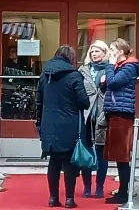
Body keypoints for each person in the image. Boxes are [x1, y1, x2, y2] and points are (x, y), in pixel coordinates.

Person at [36, 45, 90, 209]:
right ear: (71, 59)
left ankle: (53, 198)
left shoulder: (45, 75)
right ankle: (69, 199)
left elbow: (39, 101)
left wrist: (39, 123)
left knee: (53, 161)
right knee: (69, 163)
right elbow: (84, 102)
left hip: (50, 123)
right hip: (69, 123)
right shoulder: (74, 76)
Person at [101, 39, 139, 206]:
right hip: (114, 112)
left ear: (121, 51)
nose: (110, 52)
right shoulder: (118, 67)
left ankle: (124, 192)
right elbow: (106, 87)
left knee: (122, 156)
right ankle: (123, 190)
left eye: (112, 49)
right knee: (118, 156)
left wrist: (109, 68)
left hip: (122, 114)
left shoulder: (129, 66)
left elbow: (114, 83)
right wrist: (104, 80)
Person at [79, 41, 110, 199]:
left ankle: (99, 186)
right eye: (92, 51)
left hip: (102, 115)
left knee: (101, 152)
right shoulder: (83, 70)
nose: (94, 54)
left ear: (105, 53)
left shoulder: (110, 69)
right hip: (86, 115)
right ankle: (86, 186)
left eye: (98, 51)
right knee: (86, 151)